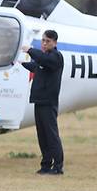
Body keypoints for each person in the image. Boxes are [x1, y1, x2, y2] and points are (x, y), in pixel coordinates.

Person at [20, 30, 65, 175]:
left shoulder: (56, 57)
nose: (44, 44)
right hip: (39, 100)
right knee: (42, 135)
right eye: (43, 41)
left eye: (48, 41)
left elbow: (43, 61)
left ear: (55, 43)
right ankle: (46, 164)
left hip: (48, 102)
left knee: (51, 135)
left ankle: (58, 166)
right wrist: (20, 64)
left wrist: (29, 49)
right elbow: (36, 66)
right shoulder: (44, 58)